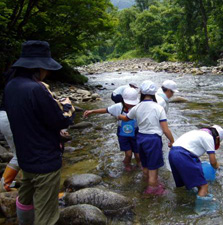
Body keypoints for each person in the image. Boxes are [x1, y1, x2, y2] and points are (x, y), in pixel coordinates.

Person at [5, 40, 75, 225]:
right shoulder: (36, 89)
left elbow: (31, 119)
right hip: (44, 160)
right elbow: (60, 120)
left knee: (26, 198)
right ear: (38, 67)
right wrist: (68, 107)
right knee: (47, 215)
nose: (47, 73)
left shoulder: (11, 86)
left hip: (26, 157)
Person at [118, 80, 174, 195]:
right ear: (154, 93)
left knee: (145, 166)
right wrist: (172, 140)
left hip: (140, 139)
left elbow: (126, 118)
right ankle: (152, 189)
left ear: (141, 93)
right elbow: (165, 129)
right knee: (154, 169)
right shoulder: (159, 108)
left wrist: (119, 116)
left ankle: (146, 183)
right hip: (153, 140)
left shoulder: (137, 107)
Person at [84, 87, 141, 171]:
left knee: (138, 155)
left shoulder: (138, 107)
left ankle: (141, 167)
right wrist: (92, 111)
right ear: (123, 100)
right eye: (128, 103)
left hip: (136, 132)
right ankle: (127, 164)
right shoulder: (118, 107)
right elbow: (106, 110)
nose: (131, 105)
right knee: (128, 154)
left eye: (133, 103)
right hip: (123, 133)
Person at [168, 125, 223, 199]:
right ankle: (201, 209)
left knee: (183, 185)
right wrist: (218, 167)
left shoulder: (194, 132)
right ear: (217, 138)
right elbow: (213, 162)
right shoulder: (209, 137)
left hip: (172, 154)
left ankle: (181, 203)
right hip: (184, 155)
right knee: (203, 186)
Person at [0, 69, 19, 192]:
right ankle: (4, 184)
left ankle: (6, 182)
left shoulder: (12, 84)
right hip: (10, 118)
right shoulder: (23, 84)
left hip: (3, 116)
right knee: (23, 154)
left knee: (18, 153)